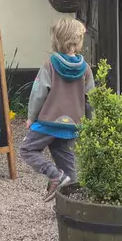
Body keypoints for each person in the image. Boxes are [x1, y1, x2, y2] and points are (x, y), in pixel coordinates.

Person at [19, 17, 94, 200]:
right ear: (77, 42)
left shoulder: (50, 65)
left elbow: (38, 93)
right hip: (72, 124)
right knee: (66, 160)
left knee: (28, 149)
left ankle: (55, 175)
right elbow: (90, 99)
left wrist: (31, 117)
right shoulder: (85, 69)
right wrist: (89, 122)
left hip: (48, 121)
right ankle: (73, 202)